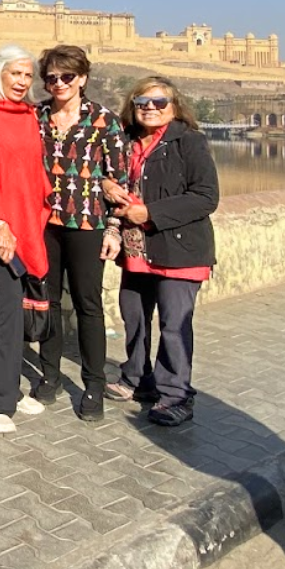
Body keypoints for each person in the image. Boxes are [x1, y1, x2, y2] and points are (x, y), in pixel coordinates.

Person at [103, 77, 219, 426]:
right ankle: (138, 378)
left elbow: (205, 197)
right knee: (134, 316)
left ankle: (176, 395)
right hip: (138, 249)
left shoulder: (189, 142)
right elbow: (106, 174)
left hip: (180, 250)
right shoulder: (126, 141)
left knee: (173, 325)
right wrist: (106, 183)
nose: (150, 108)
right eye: (143, 102)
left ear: (174, 105)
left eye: (159, 101)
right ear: (133, 106)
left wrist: (149, 214)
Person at [31, 44, 129, 421]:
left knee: (88, 305)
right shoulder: (38, 116)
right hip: (47, 223)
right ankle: (51, 376)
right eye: (52, 77)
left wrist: (114, 229)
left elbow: (120, 179)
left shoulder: (103, 120)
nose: (58, 83)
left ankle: (93, 385)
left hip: (87, 224)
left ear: (82, 79)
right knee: (49, 301)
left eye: (67, 76)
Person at [0, 45, 53, 434]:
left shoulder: (29, 115)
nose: (21, 82)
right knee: (7, 306)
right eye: (14, 74)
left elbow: (30, 171)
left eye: (27, 76)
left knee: (11, 306)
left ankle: (4, 389)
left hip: (23, 223)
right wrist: (0, 221)